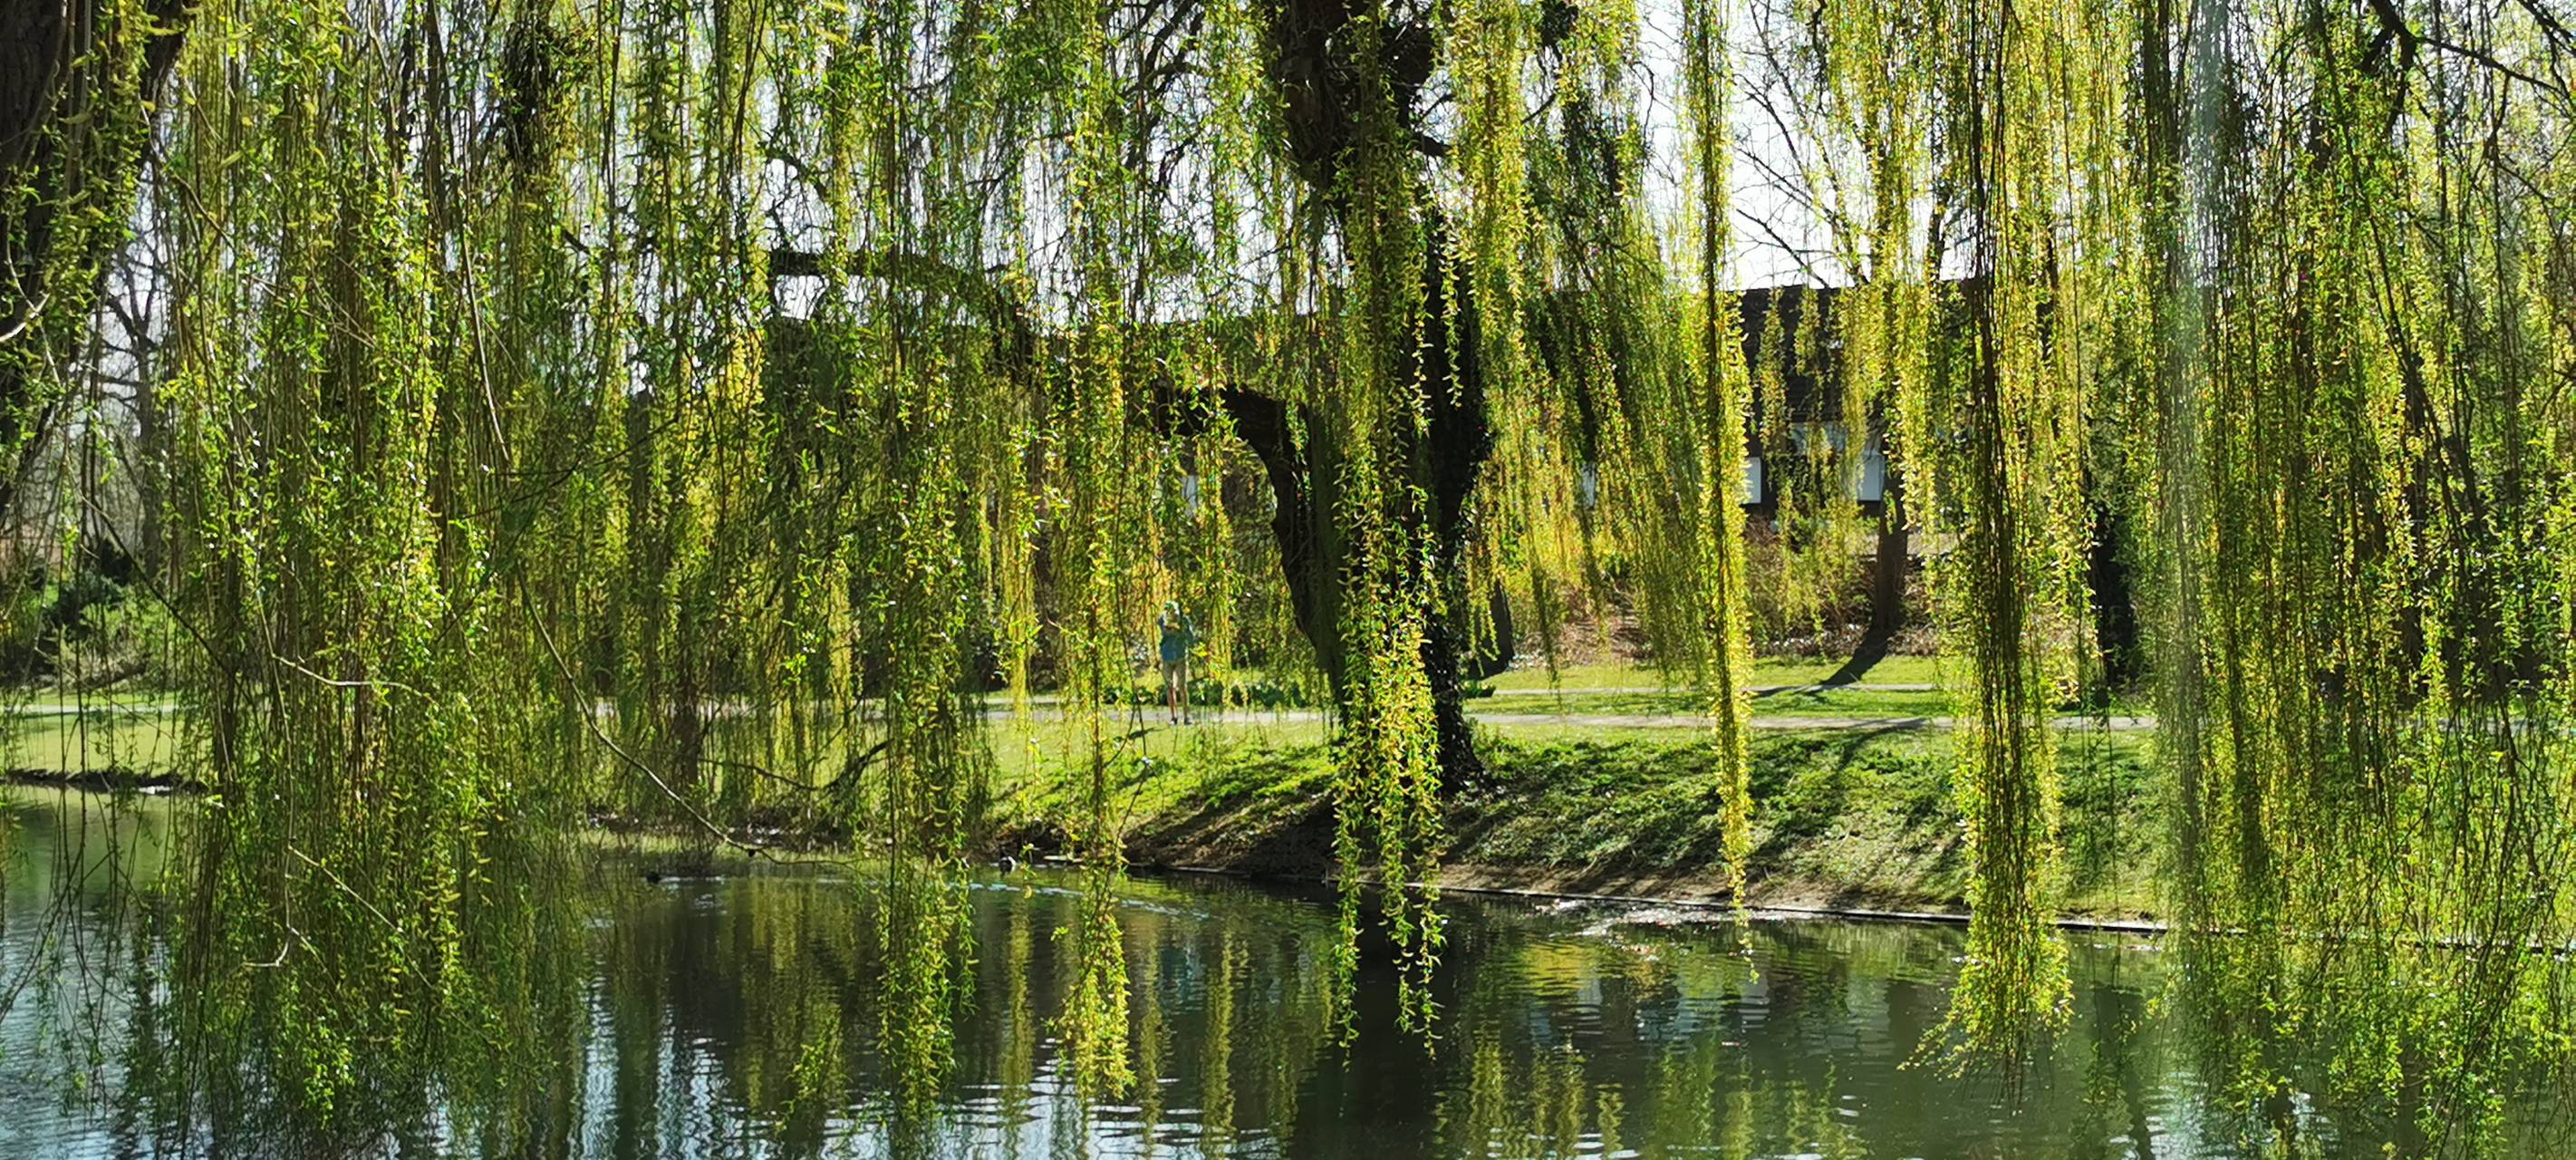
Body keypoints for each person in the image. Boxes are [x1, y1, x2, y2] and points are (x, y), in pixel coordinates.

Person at [1157, 602, 1195, 725]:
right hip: (1167, 656)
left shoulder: (1184, 621)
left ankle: (1186, 716)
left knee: (1183, 687)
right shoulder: (1163, 619)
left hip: (1180, 656)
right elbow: (1162, 632)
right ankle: (1173, 717)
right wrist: (1168, 629)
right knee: (1169, 687)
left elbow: (1191, 639)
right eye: (1170, 613)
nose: (1173, 616)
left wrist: (1181, 630)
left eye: (1175, 613)